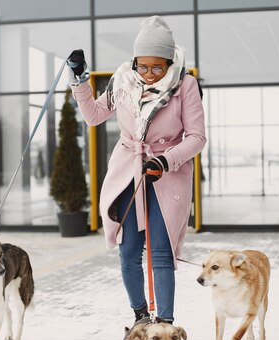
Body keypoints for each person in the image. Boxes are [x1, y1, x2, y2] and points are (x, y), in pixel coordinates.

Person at [67, 15, 206, 324]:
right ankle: (141, 316)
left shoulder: (185, 85)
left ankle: (166, 322)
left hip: (166, 174)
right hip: (128, 170)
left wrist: (166, 160)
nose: (150, 74)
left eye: (158, 67)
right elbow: (94, 116)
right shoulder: (124, 80)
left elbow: (197, 137)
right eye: (143, 66)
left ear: (170, 61)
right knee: (129, 251)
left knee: (160, 251)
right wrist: (80, 81)